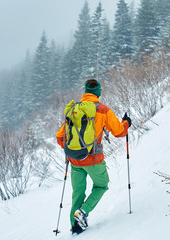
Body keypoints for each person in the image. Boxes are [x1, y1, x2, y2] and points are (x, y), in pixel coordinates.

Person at [56, 79, 132, 234]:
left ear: (85, 92)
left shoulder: (74, 110)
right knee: (101, 185)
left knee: (78, 193)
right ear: (99, 93)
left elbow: (59, 137)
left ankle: (75, 226)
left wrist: (75, 151)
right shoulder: (103, 110)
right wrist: (126, 123)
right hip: (93, 160)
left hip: (75, 160)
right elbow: (119, 132)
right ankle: (83, 212)